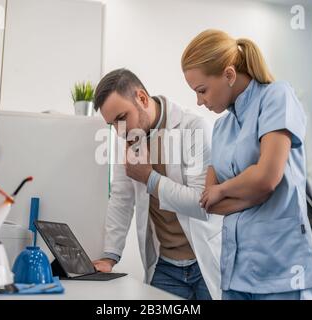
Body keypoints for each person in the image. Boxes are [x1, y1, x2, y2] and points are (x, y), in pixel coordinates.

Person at [180, 29, 312, 300]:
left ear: (229, 75)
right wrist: (253, 192)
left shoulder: (276, 96)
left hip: (283, 273)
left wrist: (226, 190)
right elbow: (209, 201)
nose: (199, 101)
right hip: (235, 273)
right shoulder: (222, 127)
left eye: (202, 90)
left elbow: (266, 179)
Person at [92, 68, 223, 300]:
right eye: (112, 124)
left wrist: (149, 179)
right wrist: (110, 256)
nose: (118, 131)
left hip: (205, 260)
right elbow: (121, 199)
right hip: (166, 268)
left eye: (121, 118)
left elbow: (200, 202)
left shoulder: (193, 128)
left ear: (142, 98)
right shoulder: (128, 138)